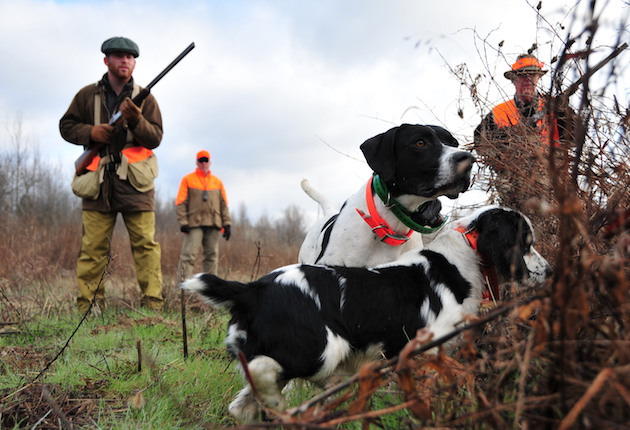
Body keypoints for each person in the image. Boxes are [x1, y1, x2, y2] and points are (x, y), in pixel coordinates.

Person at [60, 37, 164, 312]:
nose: (125, 61)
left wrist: (137, 120)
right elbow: (66, 126)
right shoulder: (86, 95)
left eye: (130, 57)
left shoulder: (146, 97)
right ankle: (89, 308)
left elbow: (155, 138)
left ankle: (152, 306)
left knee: (145, 247)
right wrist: (91, 133)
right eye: (118, 56)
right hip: (98, 183)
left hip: (136, 184)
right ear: (106, 60)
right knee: (93, 249)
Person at [175, 150, 231, 280]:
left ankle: (211, 290)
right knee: (188, 256)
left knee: (211, 256)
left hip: (213, 224)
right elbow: (180, 202)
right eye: (201, 160)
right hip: (194, 224)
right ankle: (183, 289)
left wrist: (227, 224)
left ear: (210, 162)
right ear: (197, 162)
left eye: (206, 160)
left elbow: (224, 204)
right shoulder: (188, 179)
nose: (204, 163)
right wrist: (183, 222)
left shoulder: (217, 182)